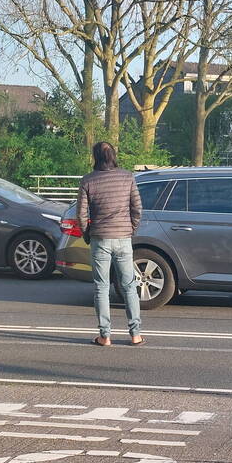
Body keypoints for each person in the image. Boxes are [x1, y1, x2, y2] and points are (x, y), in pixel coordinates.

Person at [76, 141, 144, 346]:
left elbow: (80, 214)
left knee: (101, 287)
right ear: (113, 155)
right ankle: (136, 334)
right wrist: (131, 229)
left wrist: (88, 234)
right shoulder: (127, 177)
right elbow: (138, 208)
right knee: (129, 286)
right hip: (123, 239)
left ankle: (105, 336)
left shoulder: (87, 180)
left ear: (95, 157)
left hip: (100, 239)